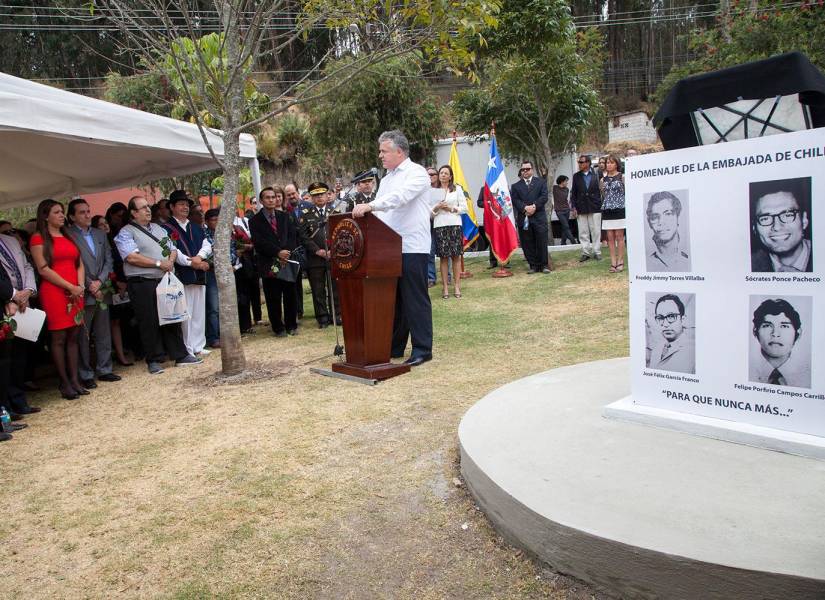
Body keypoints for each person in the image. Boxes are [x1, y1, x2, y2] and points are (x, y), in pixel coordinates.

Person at [351, 130, 433, 366]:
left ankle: (422, 348)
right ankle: (394, 345)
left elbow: (400, 198)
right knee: (393, 299)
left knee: (414, 298)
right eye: (380, 151)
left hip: (411, 246)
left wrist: (371, 205)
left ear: (399, 151)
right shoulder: (386, 179)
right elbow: (384, 216)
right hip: (387, 248)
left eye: (384, 151)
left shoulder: (416, 173)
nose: (380, 156)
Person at [114, 196, 202, 374]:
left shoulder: (158, 228)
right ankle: (154, 359)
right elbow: (131, 256)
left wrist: (169, 261)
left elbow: (173, 248)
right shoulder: (126, 232)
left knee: (172, 316)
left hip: (163, 279)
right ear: (133, 212)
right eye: (143, 208)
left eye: (148, 207)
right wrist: (158, 264)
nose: (148, 210)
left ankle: (180, 354)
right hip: (142, 282)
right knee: (149, 320)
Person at [29, 199, 88, 399]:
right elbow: (43, 269)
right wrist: (70, 286)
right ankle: (64, 382)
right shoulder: (38, 238)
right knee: (59, 337)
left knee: (74, 336)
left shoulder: (67, 235)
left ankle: (75, 379)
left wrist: (79, 286)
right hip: (55, 291)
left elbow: (79, 263)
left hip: (75, 291)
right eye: (57, 212)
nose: (62, 215)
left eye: (62, 212)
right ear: (45, 216)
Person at [67, 198, 121, 389]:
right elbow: (74, 264)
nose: (87, 215)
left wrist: (101, 282)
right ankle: (85, 373)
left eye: (88, 211)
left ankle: (105, 369)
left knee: (103, 332)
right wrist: (90, 284)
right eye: (82, 212)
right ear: (72, 216)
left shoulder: (99, 233)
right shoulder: (68, 234)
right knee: (84, 335)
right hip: (84, 290)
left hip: (102, 289)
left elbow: (108, 259)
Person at [162, 190, 212, 357]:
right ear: (172, 207)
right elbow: (173, 251)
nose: (185, 207)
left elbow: (207, 245)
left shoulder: (195, 226)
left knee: (199, 310)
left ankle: (198, 345)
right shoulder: (166, 228)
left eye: (186, 204)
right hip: (181, 275)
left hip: (198, 274)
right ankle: (187, 347)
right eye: (181, 204)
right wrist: (193, 263)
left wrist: (199, 258)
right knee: (186, 312)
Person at [0, 227, 41, 417]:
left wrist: (29, 291)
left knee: (19, 357)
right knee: (4, 361)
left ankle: (19, 401)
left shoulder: (10, 241)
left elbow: (26, 267)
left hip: (23, 305)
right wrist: (14, 296)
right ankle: (5, 406)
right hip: (6, 305)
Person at [250, 186, 299, 337]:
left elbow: (292, 236)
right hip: (269, 263)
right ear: (261, 200)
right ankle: (278, 327)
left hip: (287, 261)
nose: (271, 200)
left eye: (273, 197)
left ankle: (291, 325)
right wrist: (278, 252)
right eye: (267, 197)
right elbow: (259, 243)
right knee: (273, 297)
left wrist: (286, 253)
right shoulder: (254, 221)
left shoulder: (285, 216)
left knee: (290, 294)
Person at [298, 182, 339, 328]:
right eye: (316, 195)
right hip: (315, 258)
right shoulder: (305, 215)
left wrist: (332, 250)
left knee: (335, 287)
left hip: (334, 256)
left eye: (321, 194)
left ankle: (337, 315)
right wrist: (318, 251)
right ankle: (322, 318)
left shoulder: (336, 212)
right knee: (318, 289)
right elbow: (303, 236)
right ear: (311, 197)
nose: (319, 198)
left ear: (327, 195)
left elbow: (341, 232)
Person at [750, 178, 813, 272]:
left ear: (804, 220)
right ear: (754, 228)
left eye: (787, 215)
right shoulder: (748, 265)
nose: (777, 227)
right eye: (765, 218)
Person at [749, 298, 810, 388]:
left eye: (784, 326)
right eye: (767, 325)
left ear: (798, 333)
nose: (775, 334)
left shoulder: (809, 378)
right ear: (755, 331)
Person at [432, 165, 467, 298]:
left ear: (450, 176)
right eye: (441, 173)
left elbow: (464, 208)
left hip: (454, 225)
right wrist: (437, 206)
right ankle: (445, 287)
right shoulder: (433, 191)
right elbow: (430, 212)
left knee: (456, 256)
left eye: (446, 173)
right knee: (443, 257)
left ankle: (457, 286)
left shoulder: (457, 189)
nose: (443, 175)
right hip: (440, 225)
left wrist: (450, 209)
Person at [510, 160, 550, 273]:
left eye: (527, 169)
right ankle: (533, 266)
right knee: (527, 242)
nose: (525, 171)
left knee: (541, 241)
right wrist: (524, 208)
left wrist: (534, 206)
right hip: (524, 217)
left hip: (539, 217)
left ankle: (544, 266)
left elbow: (544, 197)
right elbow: (515, 200)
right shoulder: (516, 186)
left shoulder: (540, 182)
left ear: (532, 170)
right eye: (523, 169)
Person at [647, 293, 695, 374]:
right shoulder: (656, 349)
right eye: (660, 318)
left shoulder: (693, 351)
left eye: (671, 316)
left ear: (682, 319)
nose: (665, 324)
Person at [645, 191, 690, 272]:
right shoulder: (644, 259)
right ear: (649, 223)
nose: (661, 222)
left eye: (668, 214)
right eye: (655, 217)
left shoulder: (690, 256)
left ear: (678, 217)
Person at [570, 155, 602, 262]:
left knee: (596, 230)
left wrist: (599, 203)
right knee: (583, 231)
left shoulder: (596, 174)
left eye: (581, 162)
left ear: (588, 163)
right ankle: (585, 252)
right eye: (579, 162)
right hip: (581, 207)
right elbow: (573, 193)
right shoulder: (576, 176)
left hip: (595, 206)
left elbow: (600, 191)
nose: (579, 164)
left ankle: (597, 252)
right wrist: (573, 207)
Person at [599, 155, 626, 272]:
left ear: (616, 164)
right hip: (607, 209)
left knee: (620, 236)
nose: (608, 165)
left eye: (611, 162)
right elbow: (603, 195)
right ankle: (613, 262)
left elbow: (626, 192)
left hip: (619, 209)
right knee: (610, 237)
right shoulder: (602, 179)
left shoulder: (622, 176)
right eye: (607, 163)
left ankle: (620, 261)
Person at [552, 176, 577, 245]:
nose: (567, 183)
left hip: (566, 210)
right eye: (566, 181)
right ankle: (573, 241)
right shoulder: (555, 188)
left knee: (564, 227)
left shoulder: (567, 189)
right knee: (566, 226)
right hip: (559, 211)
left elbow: (566, 200)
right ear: (562, 181)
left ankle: (563, 242)